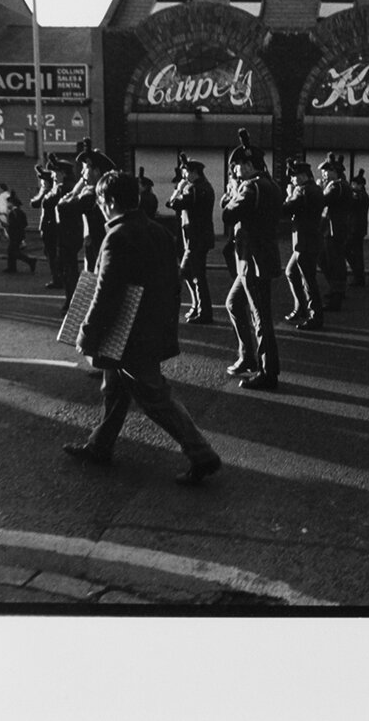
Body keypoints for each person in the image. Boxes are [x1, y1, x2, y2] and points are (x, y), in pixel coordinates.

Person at [62, 171, 222, 486]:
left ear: (107, 202)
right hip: (149, 329)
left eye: (100, 201)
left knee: (155, 398)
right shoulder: (160, 232)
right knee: (114, 390)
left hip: (127, 335)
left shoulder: (116, 237)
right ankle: (100, 445)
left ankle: (202, 454)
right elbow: (173, 284)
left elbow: (106, 294)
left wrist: (87, 335)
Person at [221, 128, 282, 390]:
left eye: (237, 166)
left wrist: (232, 194)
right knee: (234, 304)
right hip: (257, 258)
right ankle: (247, 356)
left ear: (248, 165)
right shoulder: (271, 185)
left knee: (261, 318)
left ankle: (268, 373)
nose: (235, 171)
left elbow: (228, 214)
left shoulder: (251, 188)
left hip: (253, 261)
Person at [168, 153, 216, 324]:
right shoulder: (202, 187)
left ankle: (204, 312)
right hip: (196, 238)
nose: (184, 175)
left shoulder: (194, 188)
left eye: (186, 172)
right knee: (190, 272)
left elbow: (173, 204)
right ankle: (198, 306)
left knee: (195, 274)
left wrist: (178, 189)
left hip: (196, 238)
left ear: (194, 172)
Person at [282, 158, 325, 330]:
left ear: (303, 176)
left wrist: (288, 193)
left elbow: (286, 209)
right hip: (308, 239)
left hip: (304, 241)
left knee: (308, 280)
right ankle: (300, 308)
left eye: (294, 176)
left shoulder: (302, 191)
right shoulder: (314, 189)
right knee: (292, 272)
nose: (292, 179)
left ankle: (315, 316)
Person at [76, 139, 117, 273]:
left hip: (99, 254)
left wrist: (79, 187)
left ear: (96, 171)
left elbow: (63, 206)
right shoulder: (106, 195)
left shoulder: (89, 196)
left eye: (85, 169)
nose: (82, 174)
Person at [318, 152, 350, 312]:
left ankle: (336, 295)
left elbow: (322, 201)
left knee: (333, 262)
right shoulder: (338, 185)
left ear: (334, 171)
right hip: (331, 229)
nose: (323, 174)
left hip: (334, 230)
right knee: (330, 260)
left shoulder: (337, 186)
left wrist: (318, 189)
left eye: (326, 170)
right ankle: (336, 290)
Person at [52, 156, 84, 314]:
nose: (54, 176)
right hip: (73, 231)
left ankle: (71, 299)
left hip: (66, 232)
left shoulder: (63, 188)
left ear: (62, 173)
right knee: (69, 267)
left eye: (55, 172)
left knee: (68, 268)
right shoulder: (71, 185)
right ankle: (72, 297)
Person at [31, 160, 62, 289]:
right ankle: (57, 278)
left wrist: (43, 190)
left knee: (52, 254)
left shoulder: (50, 193)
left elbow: (35, 203)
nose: (41, 183)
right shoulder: (50, 192)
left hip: (51, 228)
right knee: (51, 254)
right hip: (49, 227)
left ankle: (58, 279)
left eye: (43, 181)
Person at [346, 168, 369, 286]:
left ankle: (358, 275)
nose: (352, 185)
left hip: (355, 229)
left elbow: (352, 204)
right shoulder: (363, 195)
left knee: (349, 251)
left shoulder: (359, 196)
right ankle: (359, 276)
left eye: (354, 184)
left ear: (360, 185)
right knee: (357, 253)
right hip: (358, 228)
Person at [2, 191, 37, 274]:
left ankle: (29, 261)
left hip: (15, 235)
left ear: (12, 203)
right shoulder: (19, 212)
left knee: (13, 251)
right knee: (12, 251)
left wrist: (7, 226)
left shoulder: (13, 213)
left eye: (8, 203)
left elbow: (14, 224)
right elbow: (24, 223)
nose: (7, 205)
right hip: (19, 234)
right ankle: (12, 267)